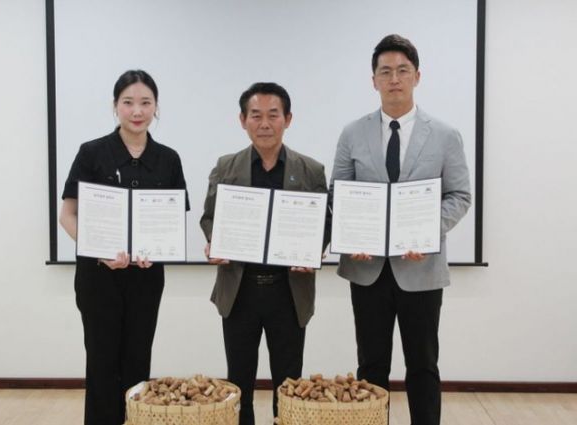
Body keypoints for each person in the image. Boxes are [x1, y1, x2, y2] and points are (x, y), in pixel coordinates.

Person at [330, 34, 471, 425]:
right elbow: (338, 192)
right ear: (374, 80)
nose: (394, 79)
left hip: (421, 269)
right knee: (370, 365)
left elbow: (460, 196)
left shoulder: (444, 135)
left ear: (417, 77)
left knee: (422, 364)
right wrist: (351, 235)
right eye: (386, 71)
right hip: (367, 268)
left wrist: (426, 232)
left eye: (403, 71)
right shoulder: (352, 133)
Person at [59, 69, 189, 425]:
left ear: (156, 107)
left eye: (146, 102)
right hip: (98, 277)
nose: (137, 111)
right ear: (115, 106)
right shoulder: (92, 153)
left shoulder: (168, 159)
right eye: (128, 102)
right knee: (101, 363)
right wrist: (98, 250)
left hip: (146, 278)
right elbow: (67, 216)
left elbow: (172, 220)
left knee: (137, 362)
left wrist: (157, 250)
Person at [200, 82, 328, 425]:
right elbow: (210, 217)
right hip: (239, 289)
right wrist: (215, 241)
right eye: (256, 115)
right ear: (243, 120)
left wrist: (313, 250)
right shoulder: (226, 166)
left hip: (289, 290)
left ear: (288, 119)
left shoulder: (311, 170)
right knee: (238, 381)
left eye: (274, 115)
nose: (265, 123)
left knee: (289, 384)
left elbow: (324, 224)